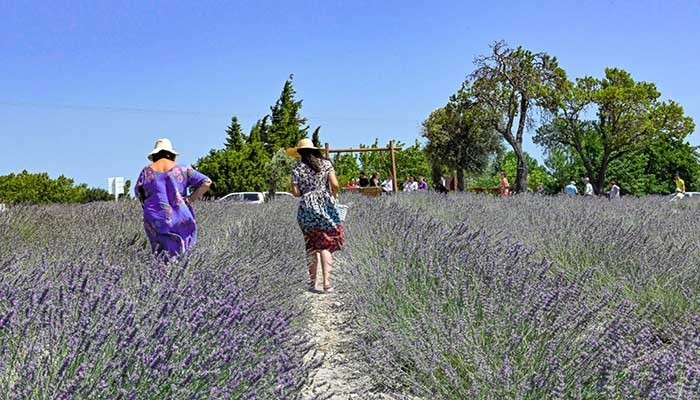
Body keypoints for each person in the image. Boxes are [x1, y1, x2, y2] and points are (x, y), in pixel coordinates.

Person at [135, 138, 211, 257]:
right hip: (180, 215)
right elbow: (206, 182)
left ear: (155, 154)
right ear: (171, 154)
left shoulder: (146, 171)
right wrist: (190, 199)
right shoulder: (183, 169)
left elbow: (139, 193)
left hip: (156, 217)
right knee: (184, 251)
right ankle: (182, 273)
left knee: (160, 254)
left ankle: (162, 273)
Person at [289, 138, 344, 294]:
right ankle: (327, 283)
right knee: (326, 245)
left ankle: (313, 284)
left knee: (312, 246)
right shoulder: (326, 164)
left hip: (306, 207)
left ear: (299, 152)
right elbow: (335, 184)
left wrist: (306, 191)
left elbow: (295, 193)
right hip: (325, 205)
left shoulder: (297, 167)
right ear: (314, 150)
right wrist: (332, 196)